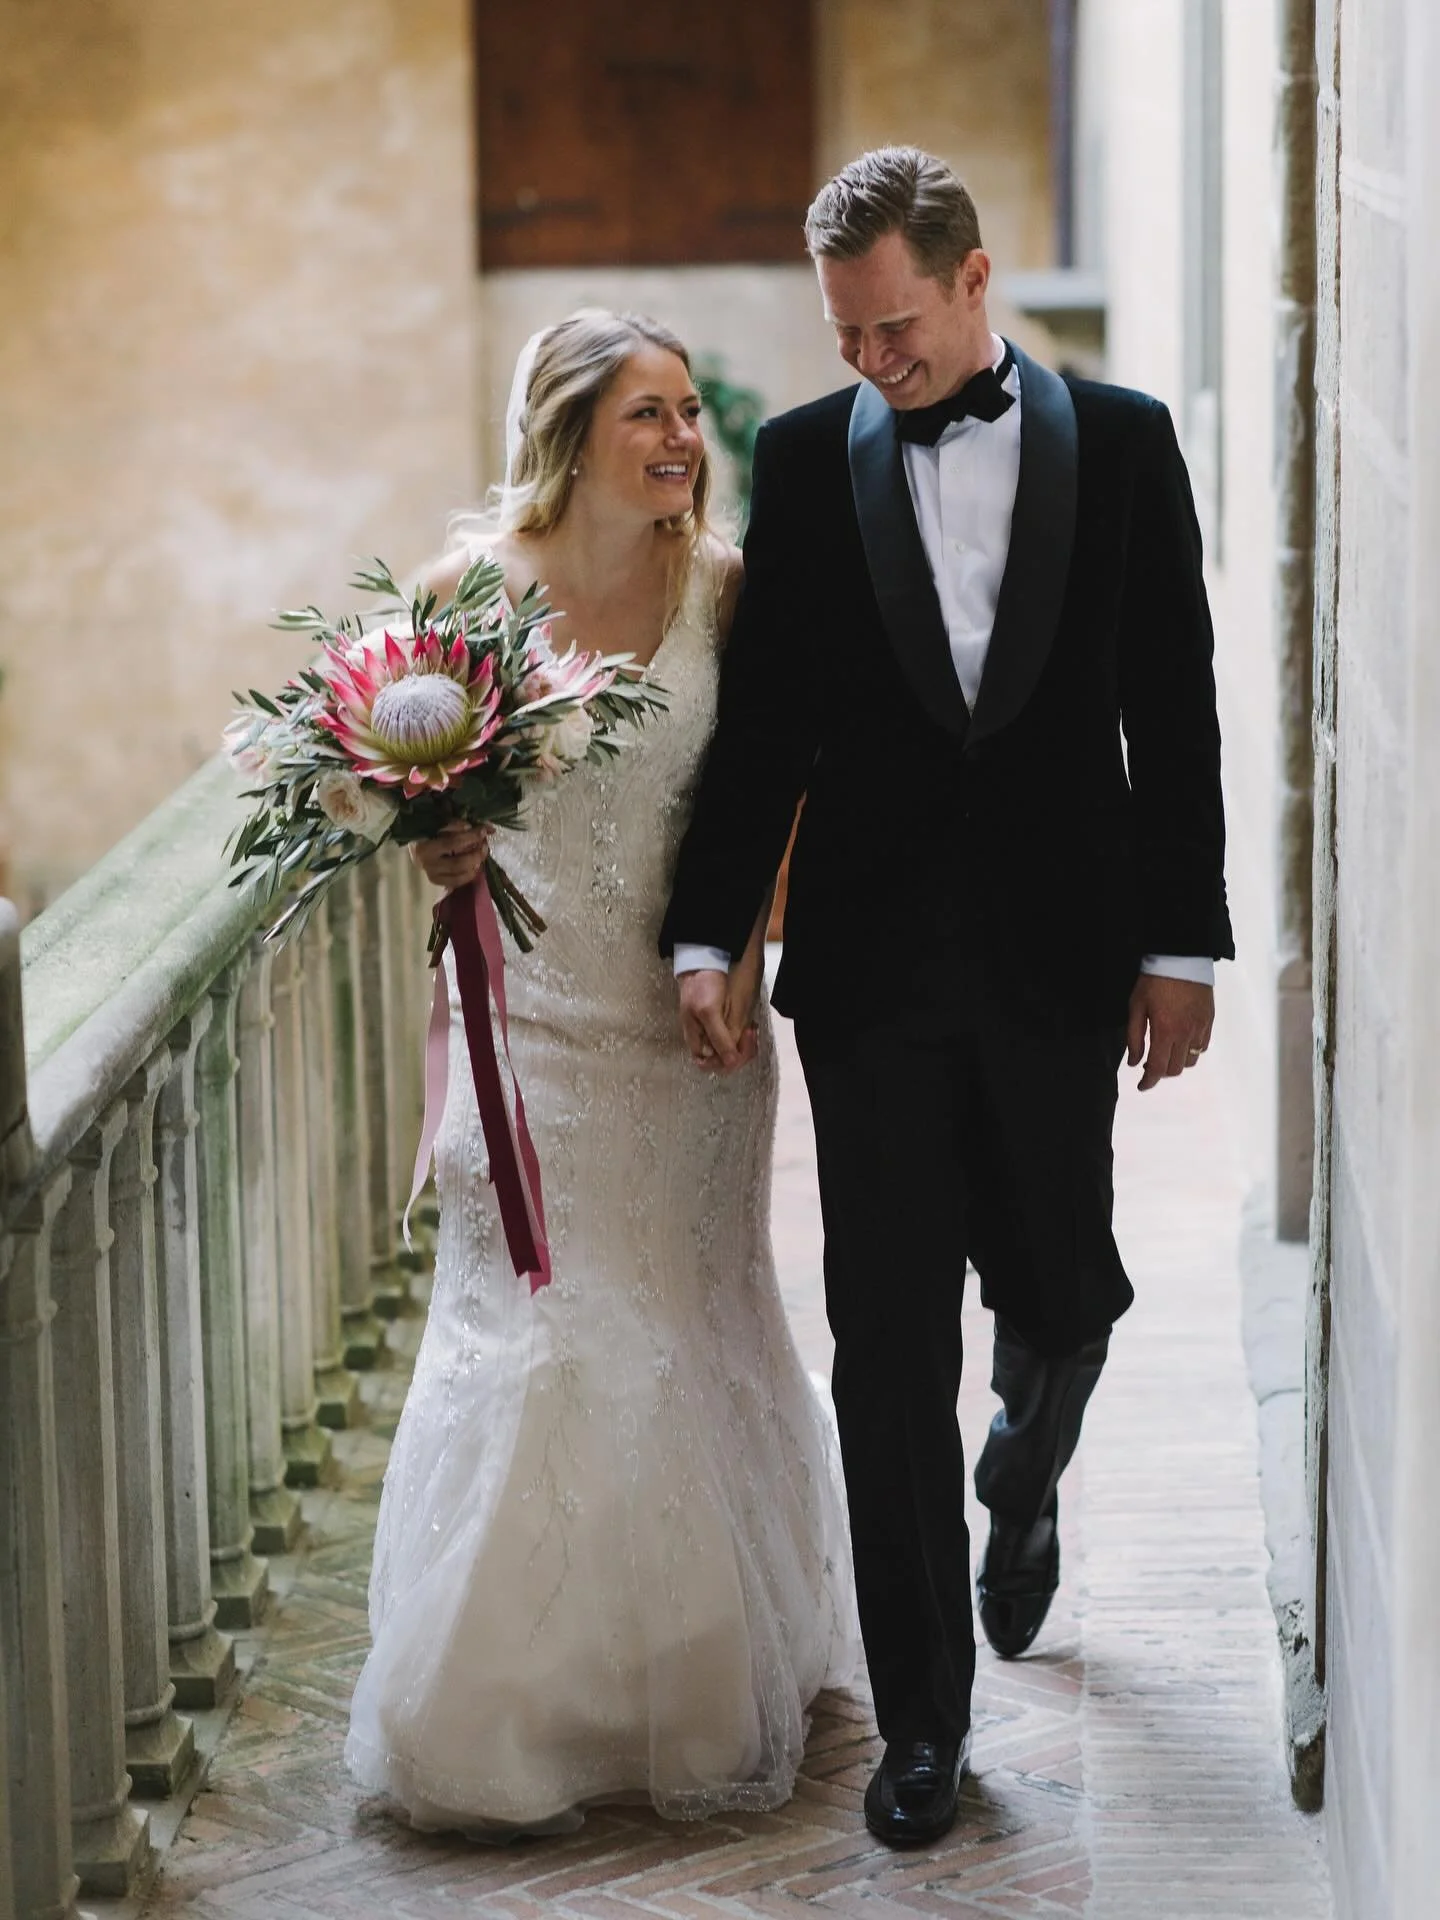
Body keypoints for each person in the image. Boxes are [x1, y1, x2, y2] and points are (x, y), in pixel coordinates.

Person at [661, 147, 1234, 1848]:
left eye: (893, 328)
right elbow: (763, 725)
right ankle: (924, 1726)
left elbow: (1177, 708)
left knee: (1062, 1285)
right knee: (883, 1341)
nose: (870, 363)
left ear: (976, 282)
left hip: (1069, 958)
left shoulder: (1122, 446)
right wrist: (711, 935)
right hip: (876, 972)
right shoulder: (802, 465)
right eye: (846, 336)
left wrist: (1181, 948)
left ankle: (1031, 1453)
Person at [345, 309, 857, 1837]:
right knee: (541, 1336)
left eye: (691, 412)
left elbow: (783, 792)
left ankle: (691, 1680)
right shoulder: (465, 594)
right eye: (650, 413)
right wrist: (429, 835)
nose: (685, 440)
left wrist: (750, 951)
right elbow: (402, 785)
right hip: (530, 1028)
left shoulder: (726, 590)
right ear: (569, 431)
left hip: (687, 1029)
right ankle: (510, 1710)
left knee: (692, 1323)